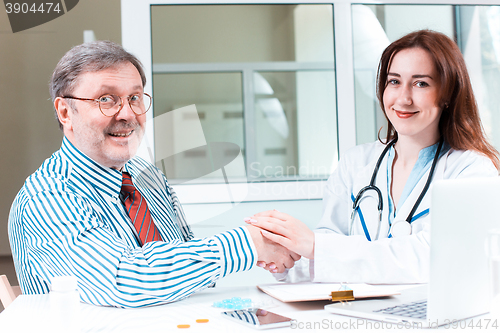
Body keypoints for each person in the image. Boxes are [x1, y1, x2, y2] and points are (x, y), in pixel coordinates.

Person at [8, 41, 299, 308]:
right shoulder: (46, 197)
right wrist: (248, 244)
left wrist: (264, 246)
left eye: (134, 97)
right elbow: (125, 282)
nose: (128, 114)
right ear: (65, 112)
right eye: (106, 99)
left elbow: (190, 270)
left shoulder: (149, 178)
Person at [246, 30, 500, 284]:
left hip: (430, 319)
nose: (403, 98)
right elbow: (325, 254)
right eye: (394, 81)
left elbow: (432, 259)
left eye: (421, 83)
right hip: (355, 316)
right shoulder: (356, 163)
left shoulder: (473, 172)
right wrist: (284, 255)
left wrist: (315, 246)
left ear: (447, 94)